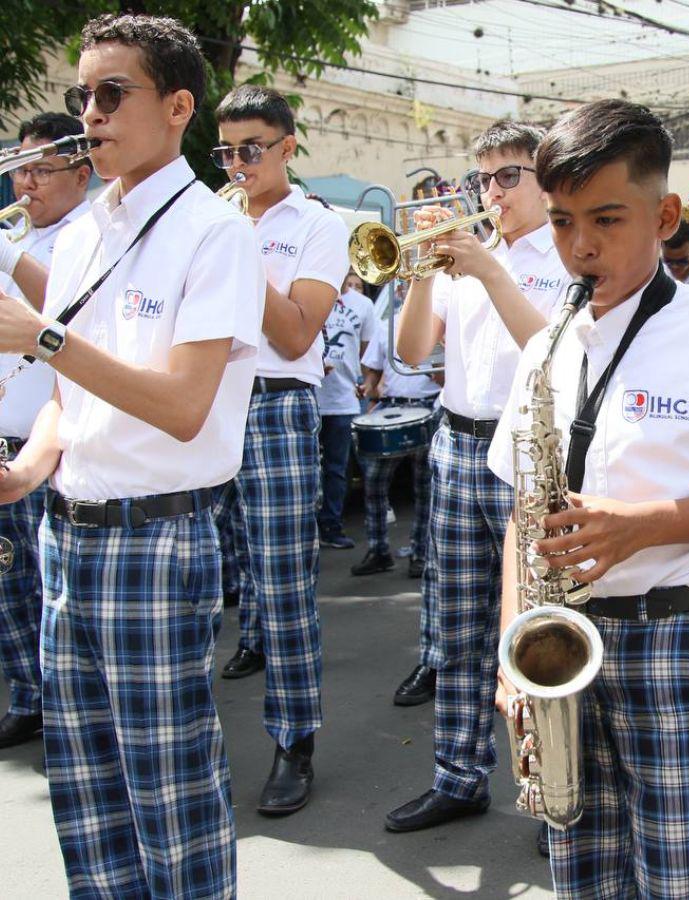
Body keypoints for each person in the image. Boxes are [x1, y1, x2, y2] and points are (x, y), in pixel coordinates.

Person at [491, 98, 689, 900]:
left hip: (673, 635)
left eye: (606, 219)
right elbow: (522, 510)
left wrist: (639, 527)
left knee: (684, 877)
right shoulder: (547, 343)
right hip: (562, 642)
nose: (581, 247)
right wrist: (511, 651)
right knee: (583, 872)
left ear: (666, 215)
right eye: (562, 223)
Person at [0, 14, 264, 895]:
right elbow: (68, 411)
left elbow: (185, 408)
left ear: (179, 106)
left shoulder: (216, 234)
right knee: (85, 794)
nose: (90, 113)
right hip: (66, 536)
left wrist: (41, 339)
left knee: (170, 797)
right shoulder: (76, 234)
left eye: (113, 94)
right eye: (82, 94)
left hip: (158, 540)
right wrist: (22, 474)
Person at [383, 121, 567, 832]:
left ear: (544, 178)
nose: (492, 192)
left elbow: (552, 355)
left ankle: (549, 792)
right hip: (456, 446)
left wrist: (489, 272)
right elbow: (408, 352)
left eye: (508, 176)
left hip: (528, 452)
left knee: (535, 632)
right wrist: (427, 271)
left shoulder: (561, 256)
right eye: (483, 179)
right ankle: (458, 776)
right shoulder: (467, 257)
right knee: (455, 629)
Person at [210, 84, 349, 814]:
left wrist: (237, 250)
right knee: (198, 577)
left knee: (284, 584)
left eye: (251, 150)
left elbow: (296, 333)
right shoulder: (210, 215)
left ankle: (295, 739)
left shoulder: (317, 225)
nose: (236, 164)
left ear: (288, 148)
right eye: (225, 151)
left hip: (272, 405)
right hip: (202, 399)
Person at [0, 113, 91, 751]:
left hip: (51, 441)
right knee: (6, 583)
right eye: (18, 170)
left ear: (80, 175)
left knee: (50, 590)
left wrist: (8, 256)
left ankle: (63, 705)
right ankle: (26, 694)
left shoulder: (86, 236)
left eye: (38, 169)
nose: (24, 183)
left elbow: (63, 314)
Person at [351, 330, 440, 578]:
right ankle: (378, 550)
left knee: (425, 487)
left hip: (426, 407)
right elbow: (373, 371)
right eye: (400, 286)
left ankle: (420, 553)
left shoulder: (437, 324)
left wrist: (440, 373)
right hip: (390, 407)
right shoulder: (384, 326)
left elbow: (445, 374)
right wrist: (367, 386)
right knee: (374, 481)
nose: (401, 288)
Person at [317, 270, 379, 549]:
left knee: (336, 468)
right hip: (310, 395)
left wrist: (367, 382)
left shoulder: (363, 305)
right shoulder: (312, 290)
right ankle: (309, 528)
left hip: (343, 397)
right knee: (309, 469)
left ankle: (331, 525)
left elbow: (367, 352)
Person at [661, 218, 689, 286]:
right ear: (660, 246)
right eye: (668, 261)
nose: (675, 267)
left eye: (682, 261)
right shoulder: (654, 275)